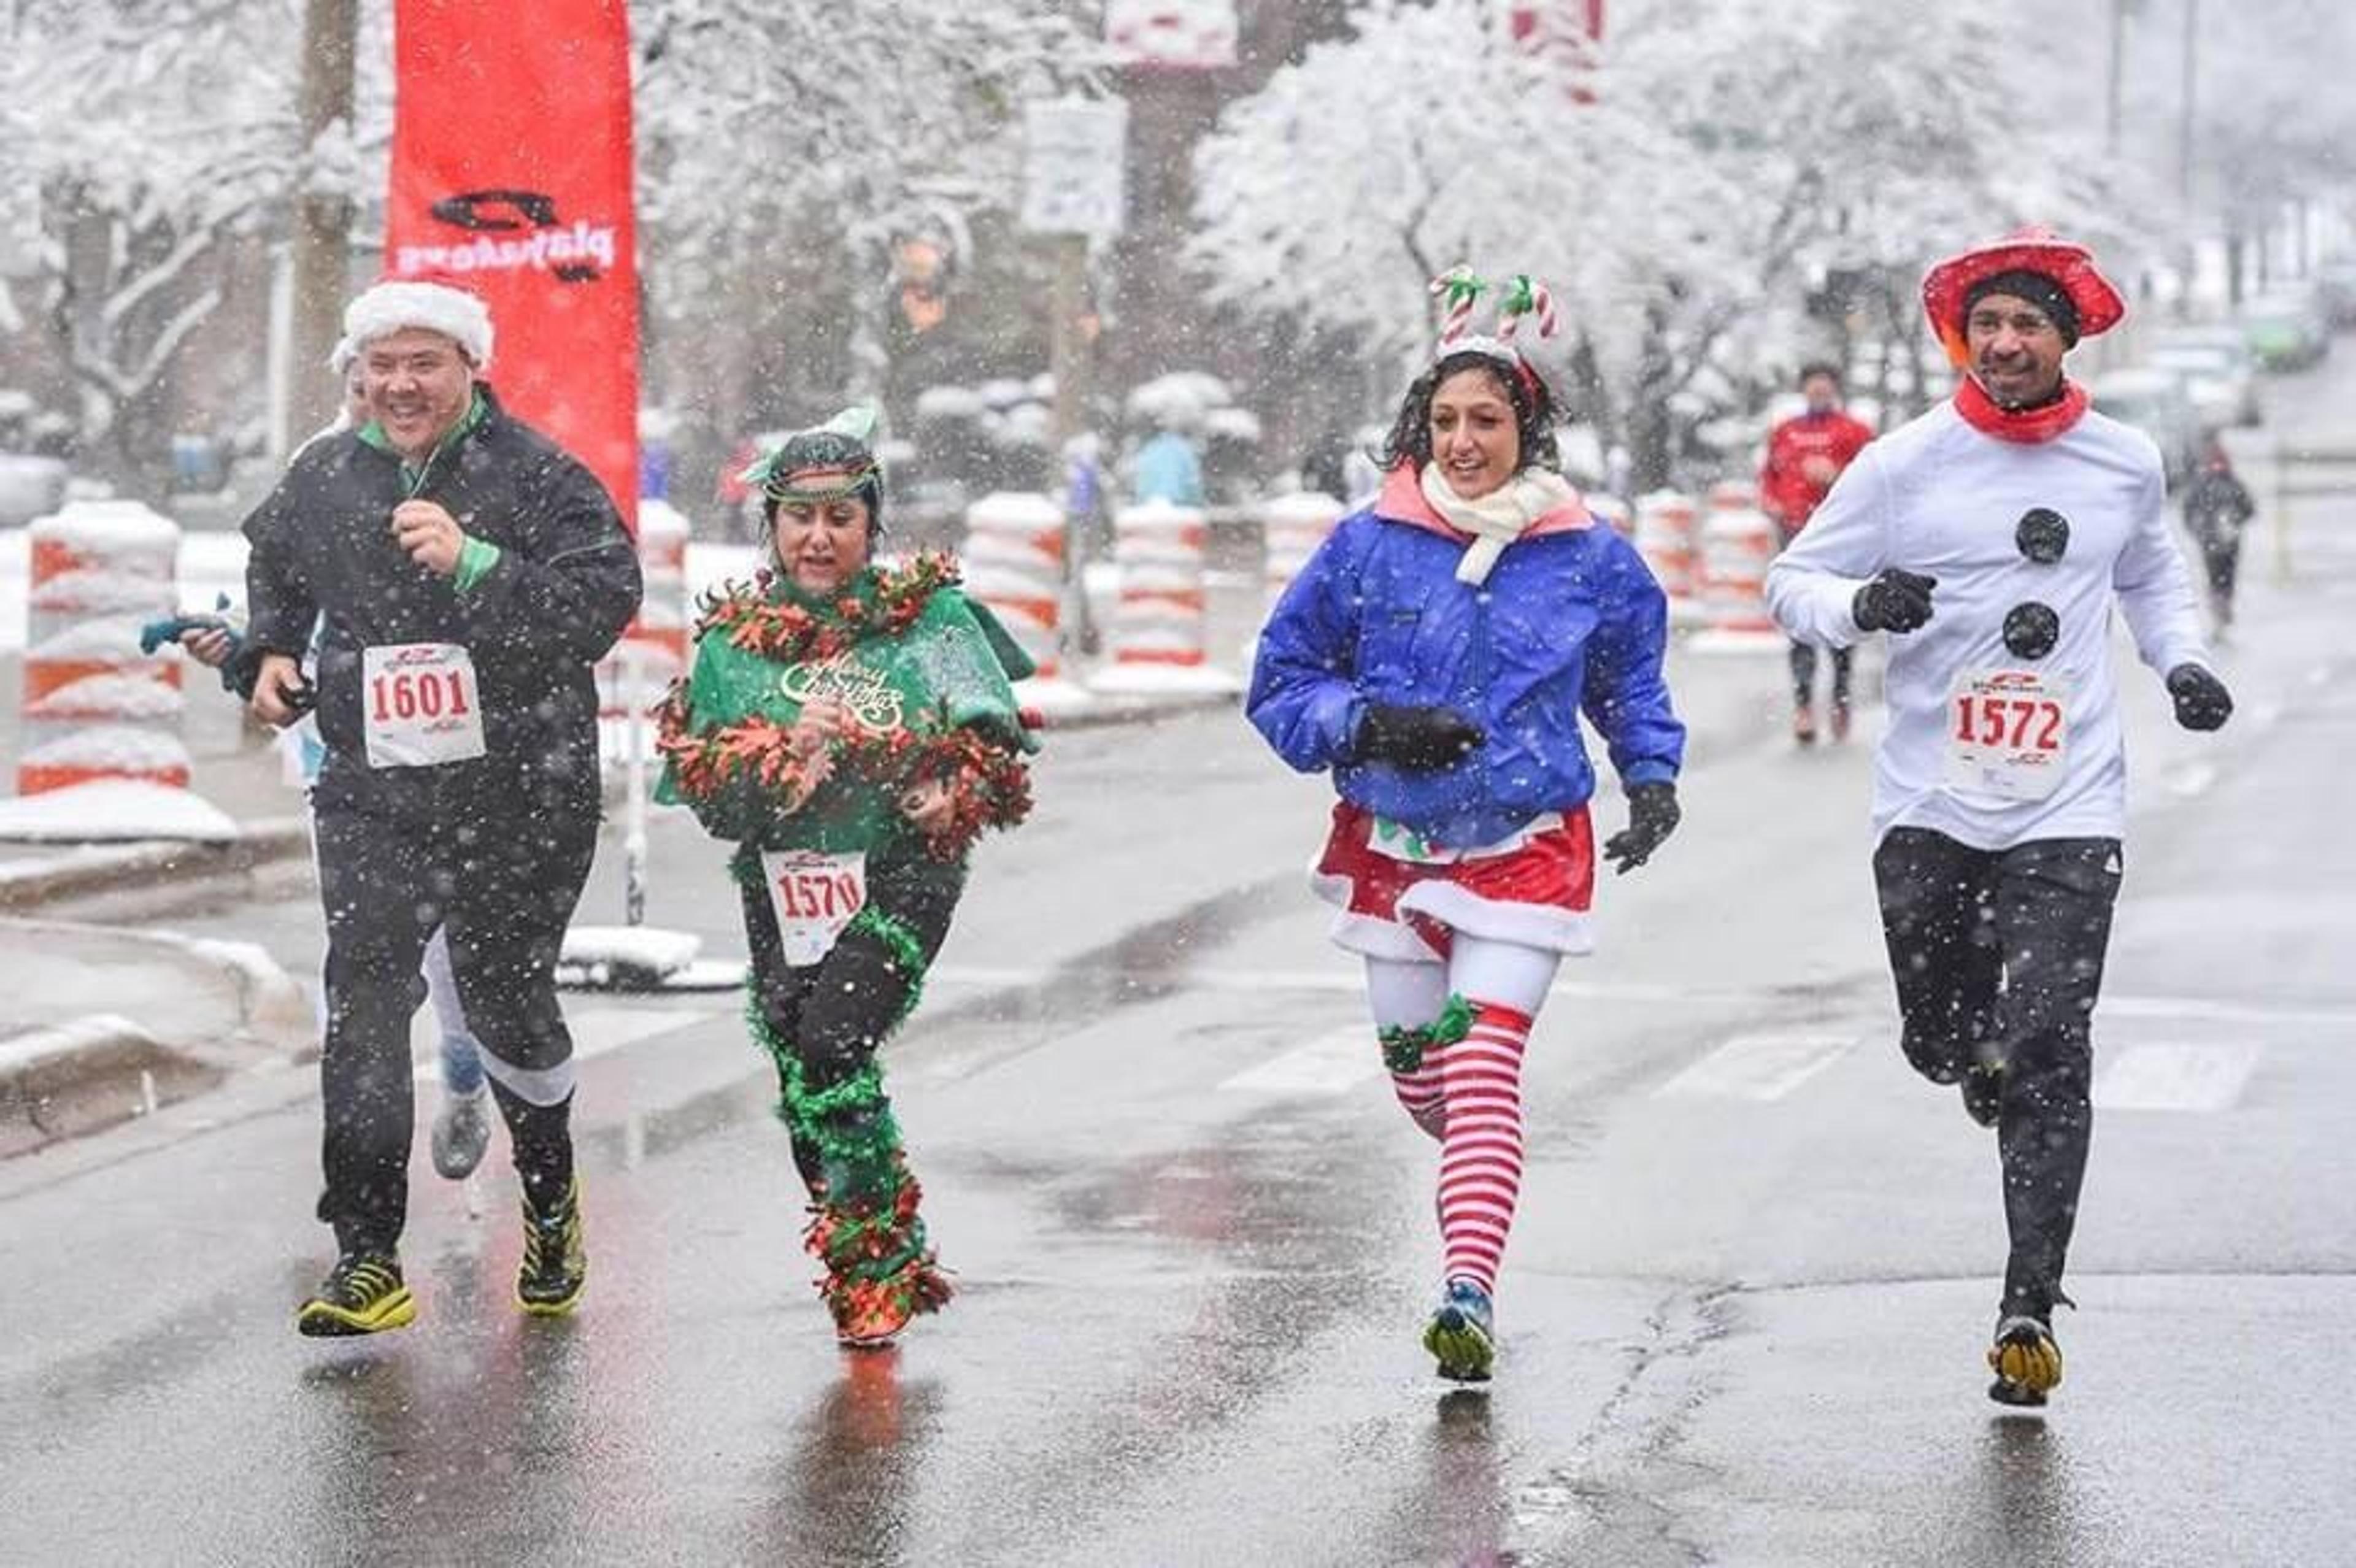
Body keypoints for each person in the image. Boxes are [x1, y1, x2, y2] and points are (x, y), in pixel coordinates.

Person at [1765, 227, 2233, 1407]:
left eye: (2029, 325)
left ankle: (2030, 1298)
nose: (2008, 343)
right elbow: (1793, 582)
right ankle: (1963, 1051)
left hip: (2071, 798)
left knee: (2054, 1043)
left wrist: (2180, 660)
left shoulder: (2123, 461)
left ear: (2067, 338)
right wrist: (1860, 601)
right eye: (1989, 326)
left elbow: (2149, 575)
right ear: (1961, 342)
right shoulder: (1903, 465)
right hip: (1931, 797)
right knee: (1942, 1035)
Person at [1248, 270, 1686, 1384]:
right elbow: (1281, 683)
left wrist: (1650, 774)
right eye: (1443, 421)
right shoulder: (1367, 546)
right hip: (1393, 852)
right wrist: (1370, 722)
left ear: (1528, 427)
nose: (1462, 441)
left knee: (1482, 1060)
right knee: (1419, 1081)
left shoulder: (1590, 555)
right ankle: (1481, 1179)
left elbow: (1631, 679)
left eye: (1486, 420)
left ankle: (1466, 1295)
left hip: (1530, 846)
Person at [235, 277, 642, 1335]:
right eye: (382, 364)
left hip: (521, 789)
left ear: (472, 369)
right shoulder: (326, 474)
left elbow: (602, 603)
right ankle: (367, 1255)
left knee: (506, 1004)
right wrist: (273, 649)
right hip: (375, 788)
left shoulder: (538, 476)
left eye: (425, 362)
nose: (400, 384)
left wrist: (479, 565)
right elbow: (274, 559)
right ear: (356, 374)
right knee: (364, 1007)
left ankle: (549, 1193)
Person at [655, 407, 1036, 1348]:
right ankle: (881, 1231)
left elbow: (998, 746)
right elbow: (707, 796)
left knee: (833, 1043)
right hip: (784, 884)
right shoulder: (732, 647)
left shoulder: (930, 622)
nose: (819, 538)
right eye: (800, 518)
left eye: (841, 519)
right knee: (804, 1072)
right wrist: (779, 767)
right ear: (772, 526)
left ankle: (866, 1270)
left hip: (904, 876)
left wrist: (952, 785)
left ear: (873, 527)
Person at [174, 353, 498, 1184]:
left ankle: (465, 1072)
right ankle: (357, 1128)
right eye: (361, 387)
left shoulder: (473, 465)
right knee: (360, 949)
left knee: (452, 950)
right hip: (339, 751)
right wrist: (238, 647)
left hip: (453, 754)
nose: (380, 400)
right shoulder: (319, 473)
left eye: (396, 382)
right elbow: (281, 598)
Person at [1758, 363, 1877, 744]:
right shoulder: (1786, 431)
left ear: (1835, 391)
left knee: (1841, 618)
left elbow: (1875, 483)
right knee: (1800, 625)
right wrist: (1774, 504)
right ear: (1803, 390)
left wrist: (1837, 476)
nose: (1819, 393)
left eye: (1825, 388)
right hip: (1797, 536)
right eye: (1813, 388)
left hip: (1843, 540)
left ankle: (1841, 699)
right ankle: (1804, 705)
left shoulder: (1855, 432)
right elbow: (1769, 479)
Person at [2180, 434, 2256, 637]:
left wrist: (2200, 529)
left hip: (2218, 540)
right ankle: (2221, 609)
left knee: (2220, 577)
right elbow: (2249, 508)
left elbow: (2248, 508)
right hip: (2220, 539)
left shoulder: (2216, 484)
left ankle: (2221, 609)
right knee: (2222, 577)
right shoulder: (2221, 484)